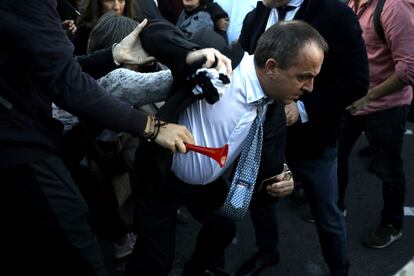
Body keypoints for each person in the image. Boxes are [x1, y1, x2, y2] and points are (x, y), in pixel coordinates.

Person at [0, 0, 232, 274]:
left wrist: (113, 55)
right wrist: (153, 127)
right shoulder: (114, 81)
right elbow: (69, 81)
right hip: (25, 144)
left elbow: (60, 68)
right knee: (76, 236)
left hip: (50, 141)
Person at [127, 19, 327, 276]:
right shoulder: (217, 57)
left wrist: (283, 177)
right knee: (155, 262)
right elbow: (154, 30)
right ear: (272, 67)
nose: (310, 88)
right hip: (161, 177)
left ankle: (199, 270)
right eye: (304, 77)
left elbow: (269, 165)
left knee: (224, 227)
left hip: (205, 187)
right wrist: (190, 54)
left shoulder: (274, 108)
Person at [236, 0, 369, 275]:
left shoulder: (335, 14)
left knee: (326, 212)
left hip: (313, 140)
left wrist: (304, 109)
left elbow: (356, 81)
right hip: (262, 136)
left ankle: (339, 268)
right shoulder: (258, 13)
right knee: (261, 199)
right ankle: (267, 251)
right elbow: (246, 64)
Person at [338, 0, 414, 249]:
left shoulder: (394, 7)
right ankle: (336, 207)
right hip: (352, 101)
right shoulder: (352, 3)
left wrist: (369, 97)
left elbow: (409, 69)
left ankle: (392, 225)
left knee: (388, 170)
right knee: (336, 155)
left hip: (386, 107)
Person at [73, 0, 138, 55]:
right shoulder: (83, 34)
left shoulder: (136, 30)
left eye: (121, 0)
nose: (116, 7)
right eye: (109, 0)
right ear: (97, 4)